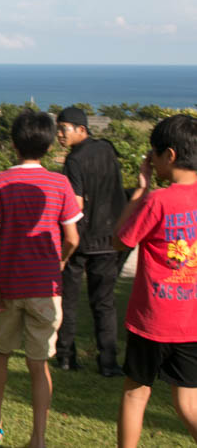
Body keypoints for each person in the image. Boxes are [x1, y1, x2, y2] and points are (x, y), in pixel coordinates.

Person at [0, 109, 82, 447]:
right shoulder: (60, 183)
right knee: (39, 365)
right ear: (49, 146)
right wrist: (60, 263)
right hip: (45, 288)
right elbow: (73, 238)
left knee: (0, 354)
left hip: (8, 286)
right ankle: (38, 438)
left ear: (13, 143)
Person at [114, 114, 197, 447]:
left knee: (135, 395)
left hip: (152, 320)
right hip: (191, 322)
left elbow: (119, 239)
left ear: (170, 155)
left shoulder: (158, 200)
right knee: (188, 403)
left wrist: (142, 188)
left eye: (155, 154)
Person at [54, 106, 127, 377]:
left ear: (81, 129)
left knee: (69, 299)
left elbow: (76, 204)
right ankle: (108, 363)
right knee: (104, 303)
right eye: (58, 129)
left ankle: (65, 356)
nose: (59, 134)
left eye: (64, 129)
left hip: (82, 240)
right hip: (110, 238)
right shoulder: (108, 150)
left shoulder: (74, 161)